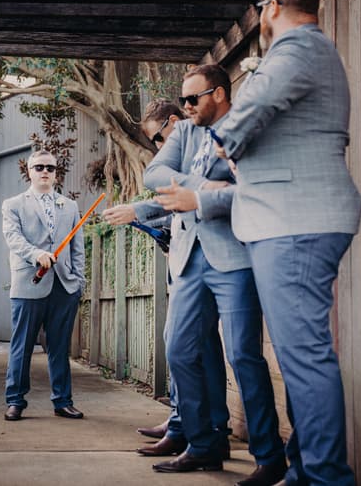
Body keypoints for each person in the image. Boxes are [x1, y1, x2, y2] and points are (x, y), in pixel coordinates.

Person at [214, 0, 361, 486]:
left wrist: (223, 140)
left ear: (273, 6)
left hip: (296, 220)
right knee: (301, 355)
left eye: (260, 8)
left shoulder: (298, 47)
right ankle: (305, 470)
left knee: (305, 356)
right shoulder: (306, 50)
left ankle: (325, 478)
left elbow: (256, 104)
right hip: (289, 218)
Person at [143, 64, 286, 480]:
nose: (185, 107)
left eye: (193, 99)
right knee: (179, 349)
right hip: (189, 259)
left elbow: (253, 190)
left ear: (219, 94)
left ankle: (269, 457)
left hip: (234, 258)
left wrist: (200, 197)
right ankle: (203, 444)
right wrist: (201, 188)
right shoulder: (185, 133)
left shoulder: (244, 128)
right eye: (183, 99)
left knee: (243, 355)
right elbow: (154, 174)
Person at [102, 99, 232, 460]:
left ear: (172, 122)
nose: (158, 148)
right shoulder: (183, 149)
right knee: (187, 346)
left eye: (158, 138)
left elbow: (187, 198)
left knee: (203, 348)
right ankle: (184, 425)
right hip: (185, 256)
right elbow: (173, 204)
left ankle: (201, 429)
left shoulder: (201, 144)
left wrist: (139, 210)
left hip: (215, 258)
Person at [1, 150, 86, 421]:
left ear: (56, 171)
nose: (45, 171)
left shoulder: (69, 206)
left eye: (50, 167)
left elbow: (77, 249)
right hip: (29, 283)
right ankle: (15, 400)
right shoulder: (13, 204)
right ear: (29, 170)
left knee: (60, 347)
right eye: (39, 167)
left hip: (64, 286)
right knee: (22, 345)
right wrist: (35, 254)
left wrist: (79, 282)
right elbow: (13, 238)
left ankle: (62, 401)